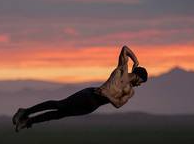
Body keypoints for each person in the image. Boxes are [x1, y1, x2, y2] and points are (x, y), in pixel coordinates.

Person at [12, 45, 148, 132]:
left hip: (93, 105)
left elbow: (118, 104)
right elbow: (124, 49)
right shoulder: (122, 70)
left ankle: (28, 122)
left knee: (60, 114)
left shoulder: (129, 91)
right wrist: (135, 60)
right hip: (89, 95)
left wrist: (107, 95)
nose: (140, 85)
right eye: (141, 81)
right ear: (138, 76)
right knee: (59, 105)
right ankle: (25, 111)